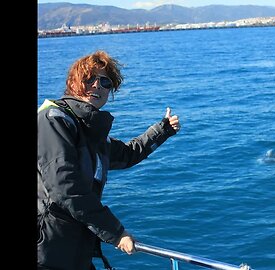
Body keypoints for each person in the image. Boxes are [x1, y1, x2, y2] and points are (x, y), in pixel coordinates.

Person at [37, 50, 180, 269]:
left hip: (73, 250)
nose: (97, 85)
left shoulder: (89, 132)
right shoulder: (54, 120)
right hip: (47, 251)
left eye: (105, 82)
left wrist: (162, 130)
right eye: (89, 78)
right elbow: (65, 187)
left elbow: (128, 154)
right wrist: (115, 232)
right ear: (72, 82)